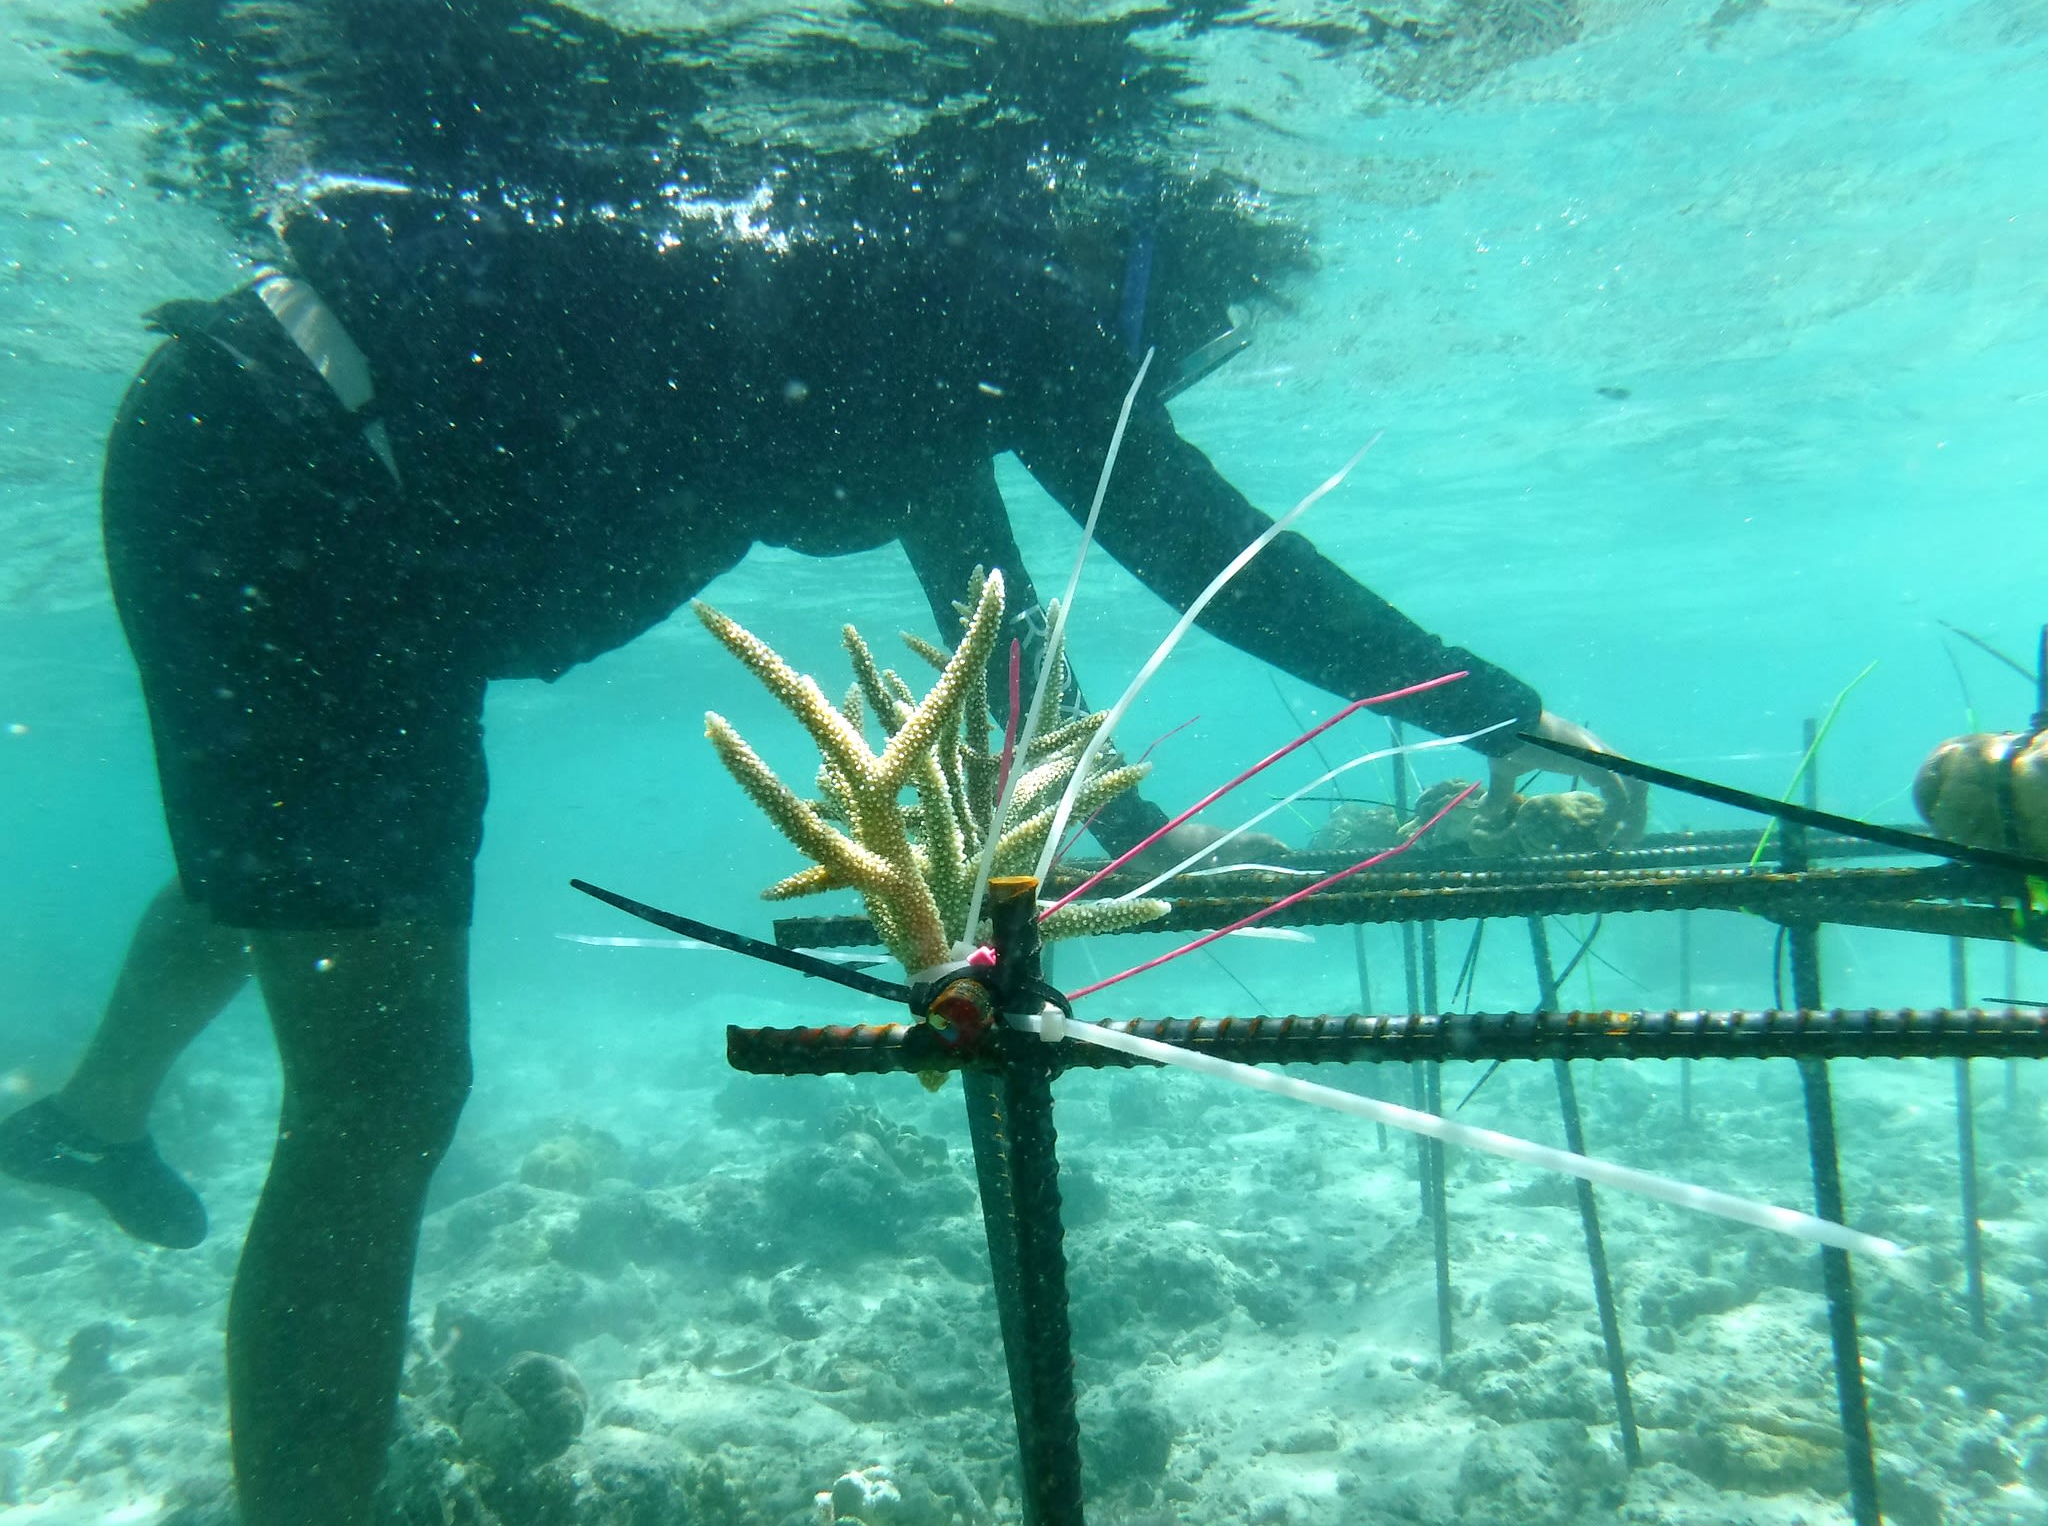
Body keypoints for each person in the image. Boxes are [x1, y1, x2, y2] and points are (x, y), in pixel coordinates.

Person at [0, 146, 1641, 1525]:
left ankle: (90, 1117)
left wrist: (1112, 812)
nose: (1152, 381)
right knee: (378, 1085)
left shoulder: (902, 310)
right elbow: (1186, 532)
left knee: (301, 881)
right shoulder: (1006, 296)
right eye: (1177, 343)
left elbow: (994, 621)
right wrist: (1504, 713)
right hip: (308, 489)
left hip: (293, 472)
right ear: (1130, 262)